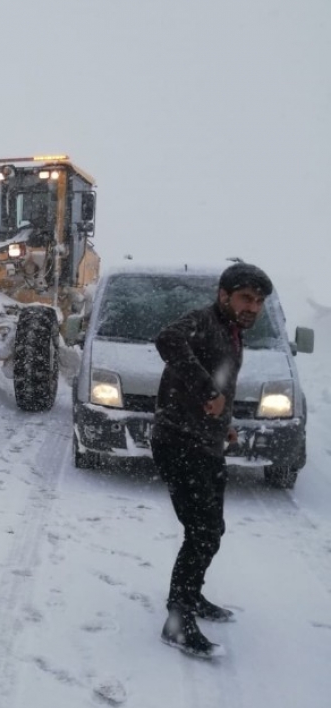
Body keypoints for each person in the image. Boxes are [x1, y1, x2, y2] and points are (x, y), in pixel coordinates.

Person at [151, 261, 273, 658]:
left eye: (258, 301)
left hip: (206, 442)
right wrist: (207, 392)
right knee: (202, 531)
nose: (253, 306)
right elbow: (167, 339)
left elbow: (222, 386)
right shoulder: (203, 321)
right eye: (245, 297)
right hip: (178, 442)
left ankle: (191, 597)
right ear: (224, 295)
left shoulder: (232, 332)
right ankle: (177, 620)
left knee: (210, 530)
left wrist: (224, 422)